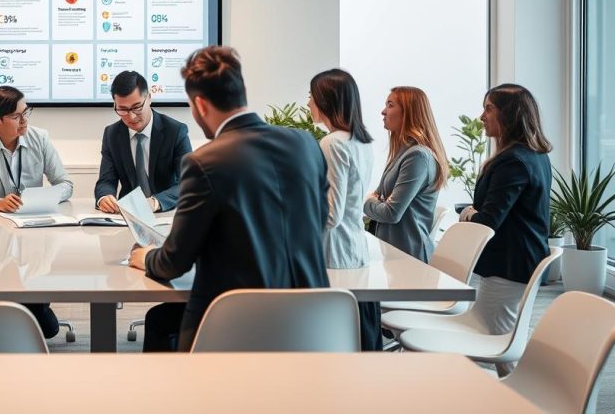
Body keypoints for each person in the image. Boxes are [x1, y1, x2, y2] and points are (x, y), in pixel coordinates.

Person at [128, 46, 329, 352]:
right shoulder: (305, 144)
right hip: (311, 325)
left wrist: (147, 257)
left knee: (161, 320)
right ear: (241, 91)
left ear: (200, 105)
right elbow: (316, 221)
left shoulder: (204, 161)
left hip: (233, 329)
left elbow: (175, 262)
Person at [0, 85, 74, 338]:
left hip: (34, 234)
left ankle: (32, 305)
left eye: (26, 112)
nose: (24, 121)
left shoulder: (40, 138)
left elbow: (65, 184)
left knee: (46, 328)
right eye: (16, 116)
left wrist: (41, 198)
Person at [459, 83, 551, 376]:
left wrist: (468, 215)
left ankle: (524, 400)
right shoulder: (533, 156)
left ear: (510, 115)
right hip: (516, 262)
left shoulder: (513, 161)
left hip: (509, 265)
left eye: (489, 109)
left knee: (495, 341)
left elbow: (488, 221)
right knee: (498, 340)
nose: (481, 116)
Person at [307, 68, 379, 350]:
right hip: (354, 247)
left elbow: (331, 213)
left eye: (311, 96)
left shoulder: (332, 143)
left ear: (326, 100)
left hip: (333, 251)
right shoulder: (360, 141)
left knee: (334, 333)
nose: (308, 103)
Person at [364, 87, 449, 263]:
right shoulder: (404, 152)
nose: (383, 111)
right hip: (394, 253)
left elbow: (390, 213)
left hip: (409, 258)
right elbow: (381, 198)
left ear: (408, 113)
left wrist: (367, 202)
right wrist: (377, 200)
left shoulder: (417, 156)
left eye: (390, 105)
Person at [95, 70, 193, 213]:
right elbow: (106, 180)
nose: (131, 116)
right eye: (122, 109)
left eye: (137, 107)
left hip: (167, 213)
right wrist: (104, 197)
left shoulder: (175, 131)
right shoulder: (112, 134)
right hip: (128, 215)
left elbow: (189, 182)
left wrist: (156, 202)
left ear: (149, 98)